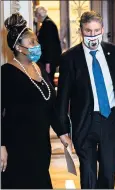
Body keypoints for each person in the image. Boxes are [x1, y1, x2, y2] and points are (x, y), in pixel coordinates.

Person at [56, 11, 115, 189]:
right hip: (85, 122)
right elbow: (62, 97)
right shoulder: (69, 58)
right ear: (81, 31)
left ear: (102, 29)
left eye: (96, 30)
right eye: (88, 31)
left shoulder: (114, 52)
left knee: (108, 176)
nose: (93, 35)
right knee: (88, 177)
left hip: (112, 121)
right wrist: (62, 131)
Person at [0, 13, 71, 188]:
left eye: (36, 41)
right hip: (17, 146)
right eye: (31, 43)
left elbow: (49, 104)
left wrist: (62, 133)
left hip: (40, 144)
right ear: (18, 46)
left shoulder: (39, 68)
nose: (37, 46)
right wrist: (1, 146)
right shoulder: (6, 73)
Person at [34, 6, 62, 86]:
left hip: (49, 61)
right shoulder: (47, 24)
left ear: (39, 15)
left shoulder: (48, 25)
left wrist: (48, 63)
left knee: (48, 81)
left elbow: (49, 46)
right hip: (49, 60)